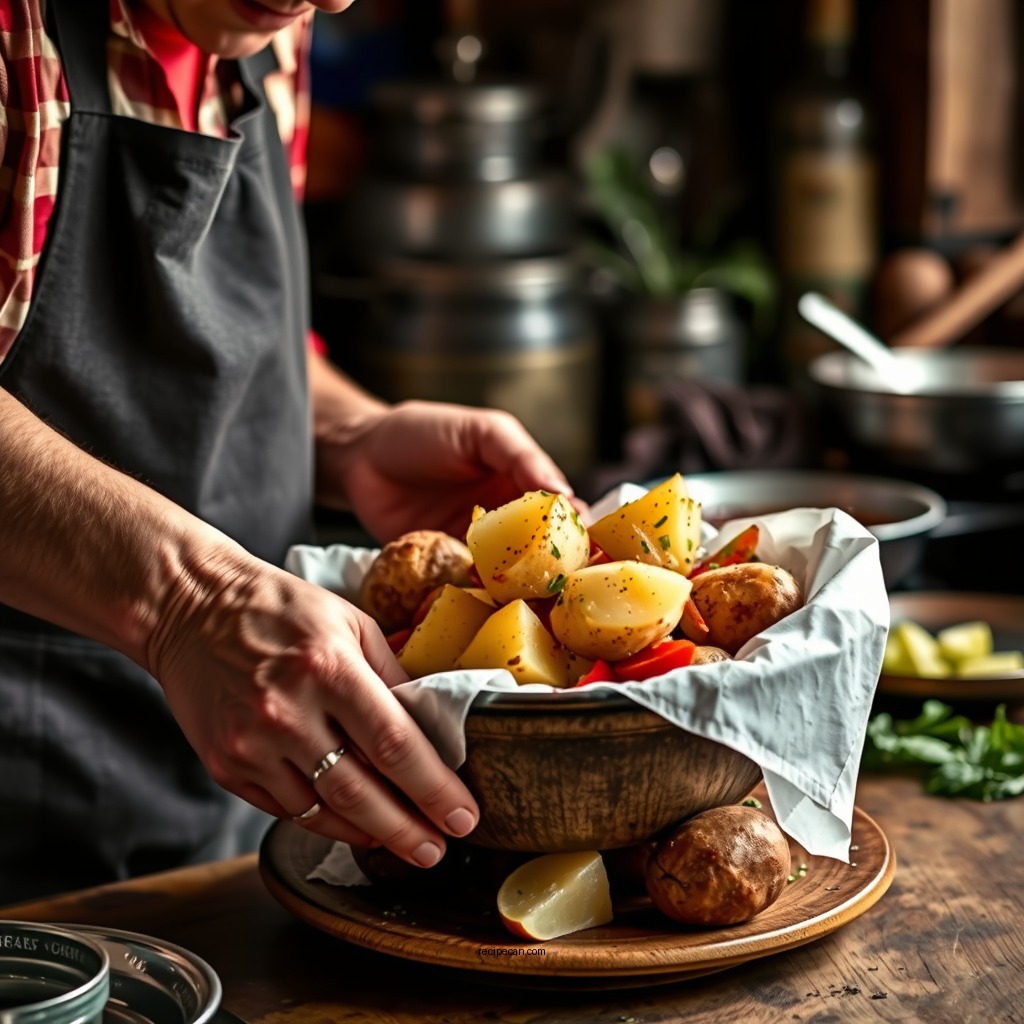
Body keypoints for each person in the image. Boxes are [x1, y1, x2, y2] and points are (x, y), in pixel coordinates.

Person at [0, 0, 582, 904]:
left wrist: (347, 432)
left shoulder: (274, 18)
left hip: (241, 823)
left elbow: (221, 333)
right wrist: (191, 601)